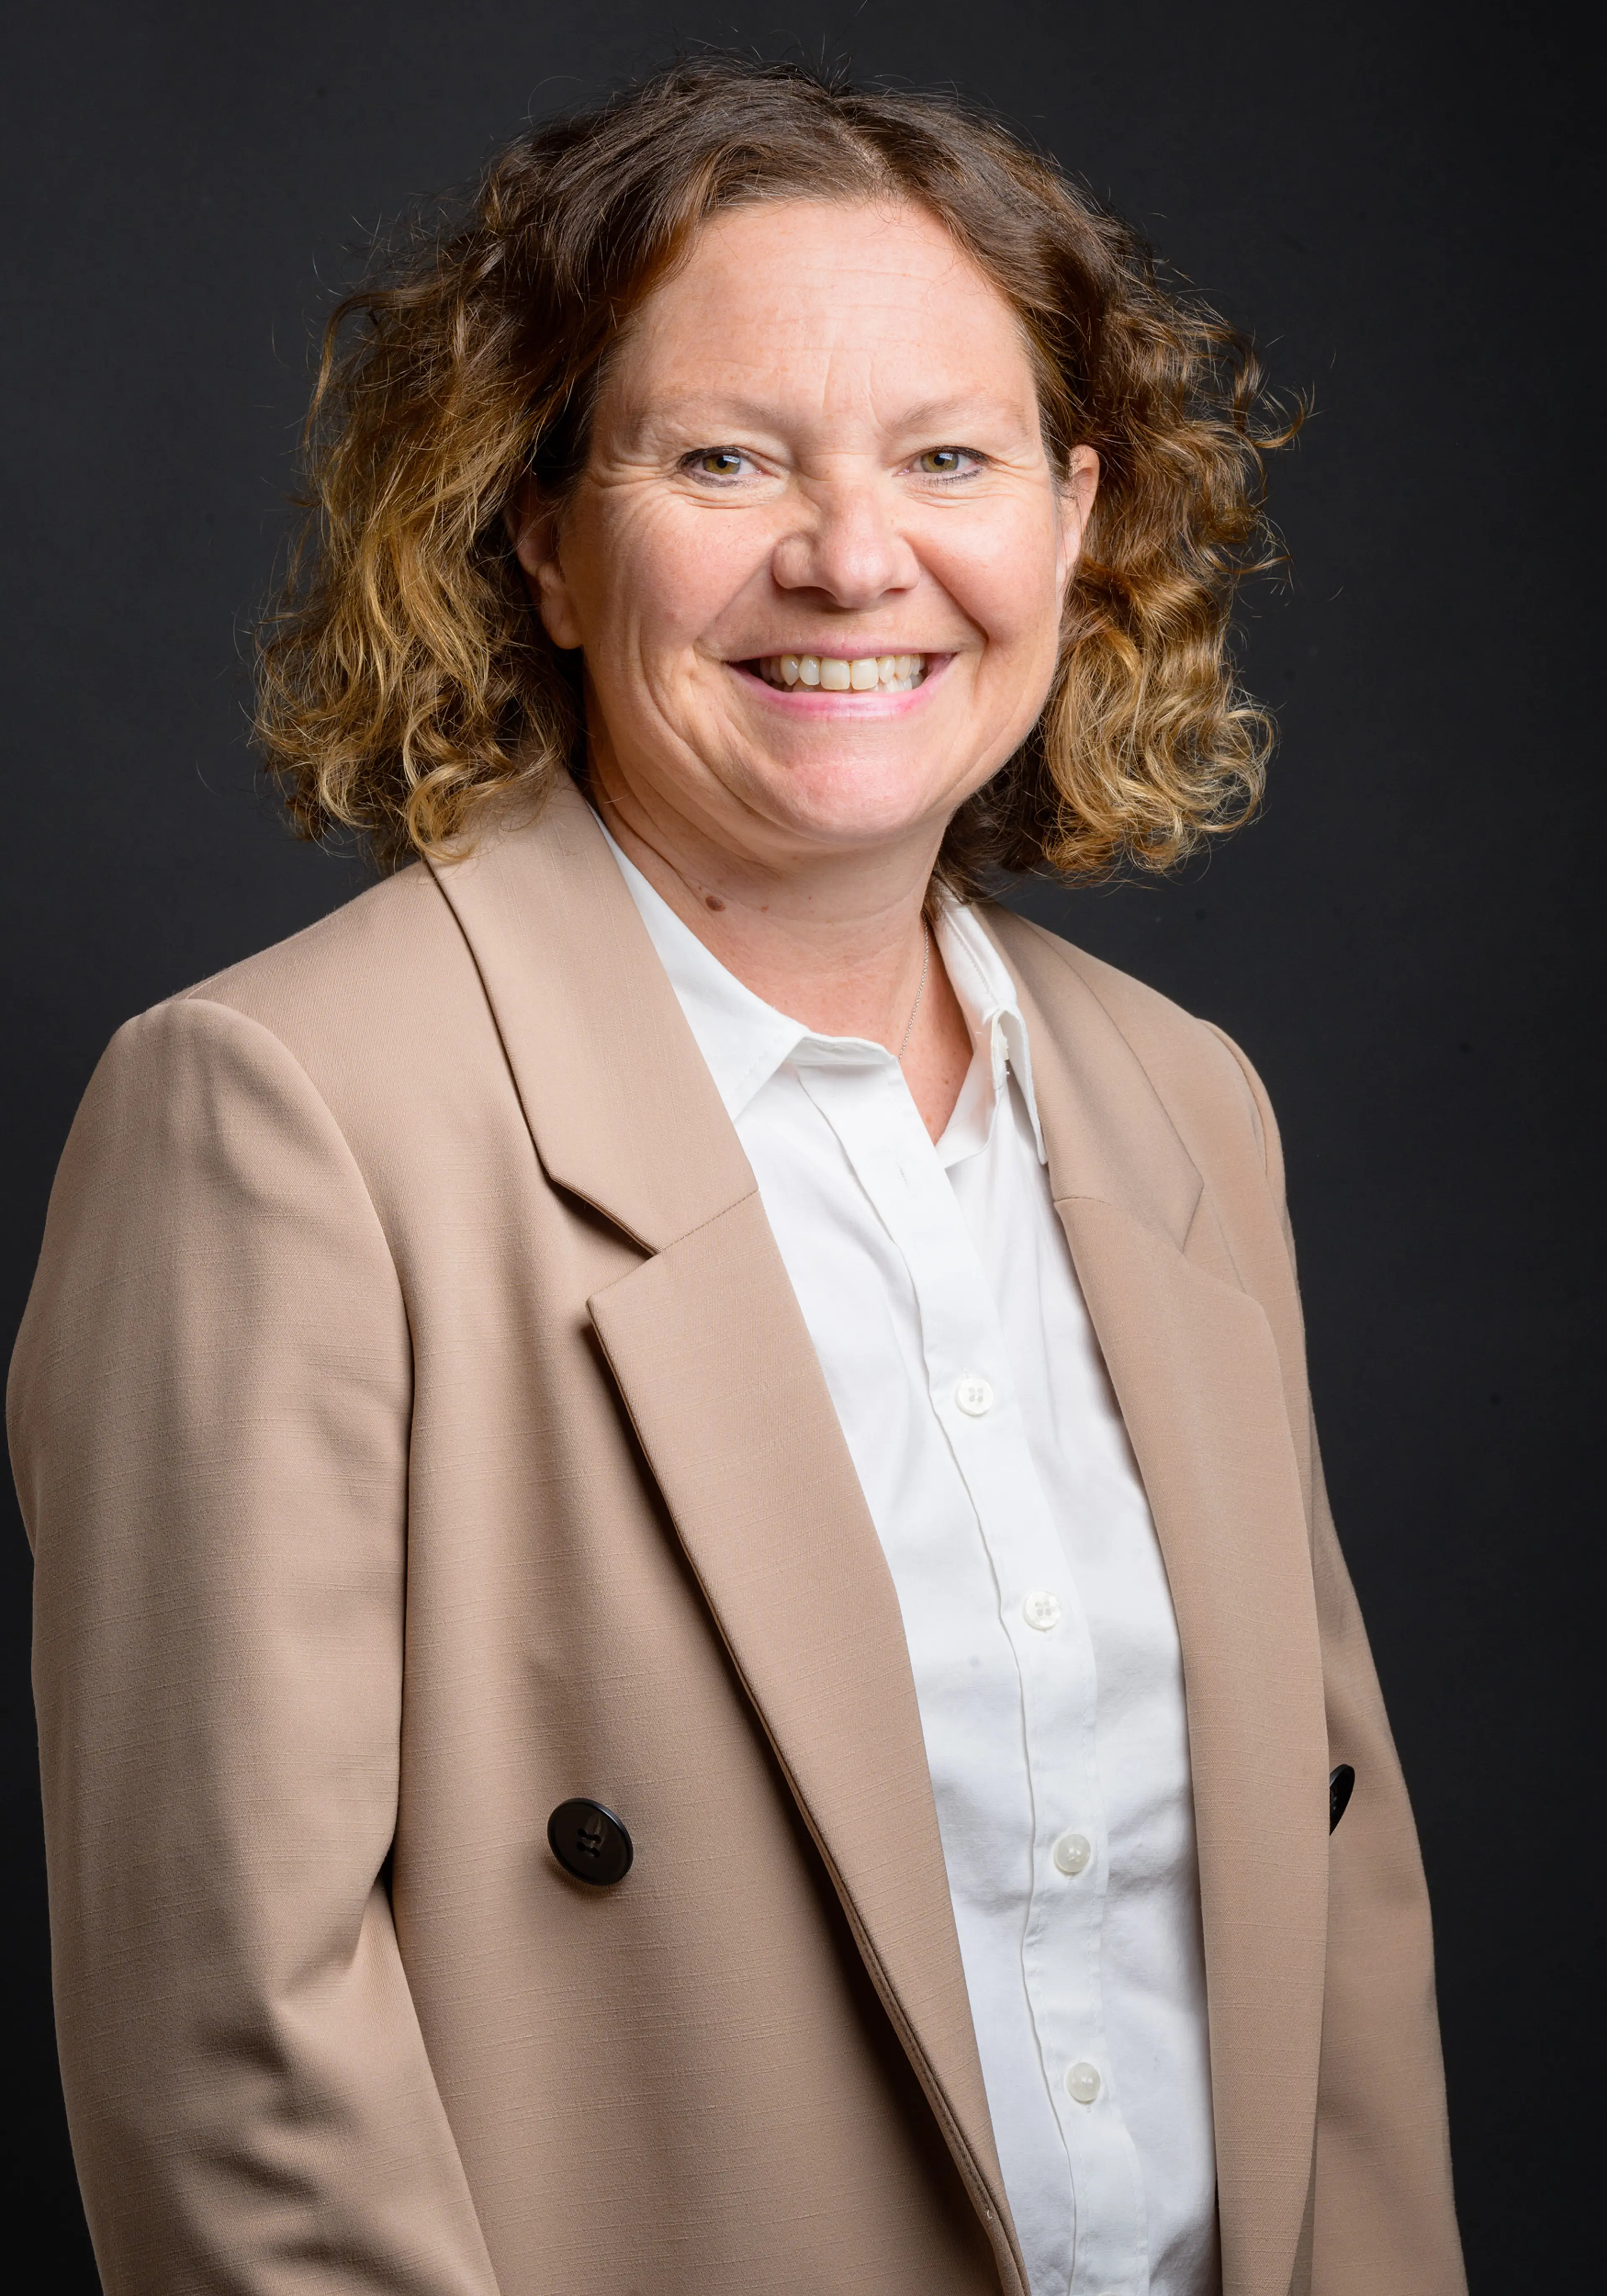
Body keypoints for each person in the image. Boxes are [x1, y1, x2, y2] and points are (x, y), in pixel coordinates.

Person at [8, 57, 1465, 2296]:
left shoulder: (1184, 1099)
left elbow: (1329, 1931)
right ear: (540, 538)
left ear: (1078, 521)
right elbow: (237, 2082)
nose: (854, 558)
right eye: (723, 460)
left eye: (952, 458)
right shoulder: (284, 1114)